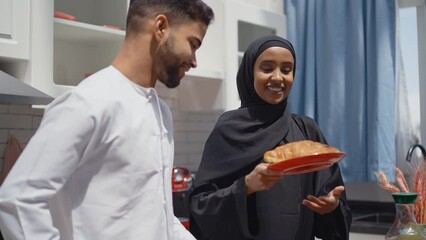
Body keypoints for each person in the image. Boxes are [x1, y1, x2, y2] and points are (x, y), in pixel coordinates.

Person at [0, 0, 214, 239]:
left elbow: (159, 215)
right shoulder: (89, 102)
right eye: (193, 44)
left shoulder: (160, 112)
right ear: (161, 27)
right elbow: (18, 200)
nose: (194, 60)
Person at [188, 35, 352, 240]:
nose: (278, 77)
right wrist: (246, 186)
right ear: (250, 73)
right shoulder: (229, 129)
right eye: (267, 68)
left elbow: (332, 201)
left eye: (286, 69)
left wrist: (332, 207)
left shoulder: (306, 130)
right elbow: (200, 206)